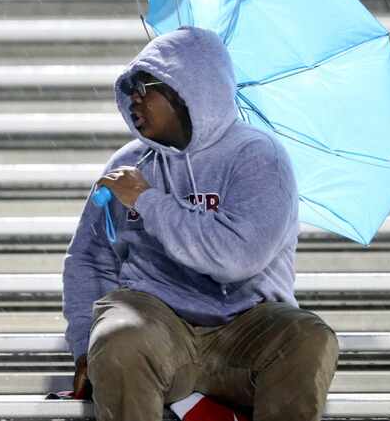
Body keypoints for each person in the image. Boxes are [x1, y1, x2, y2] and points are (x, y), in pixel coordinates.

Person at [61, 26, 339, 421]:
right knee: (118, 339)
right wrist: (84, 347)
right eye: (131, 88)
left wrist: (147, 200)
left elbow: (236, 256)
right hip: (156, 322)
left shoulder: (259, 157)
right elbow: (89, 259)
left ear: (188, 89)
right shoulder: (128, 165)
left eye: (146, 87)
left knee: (307, 338)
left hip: (247, 324)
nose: (133, 100)